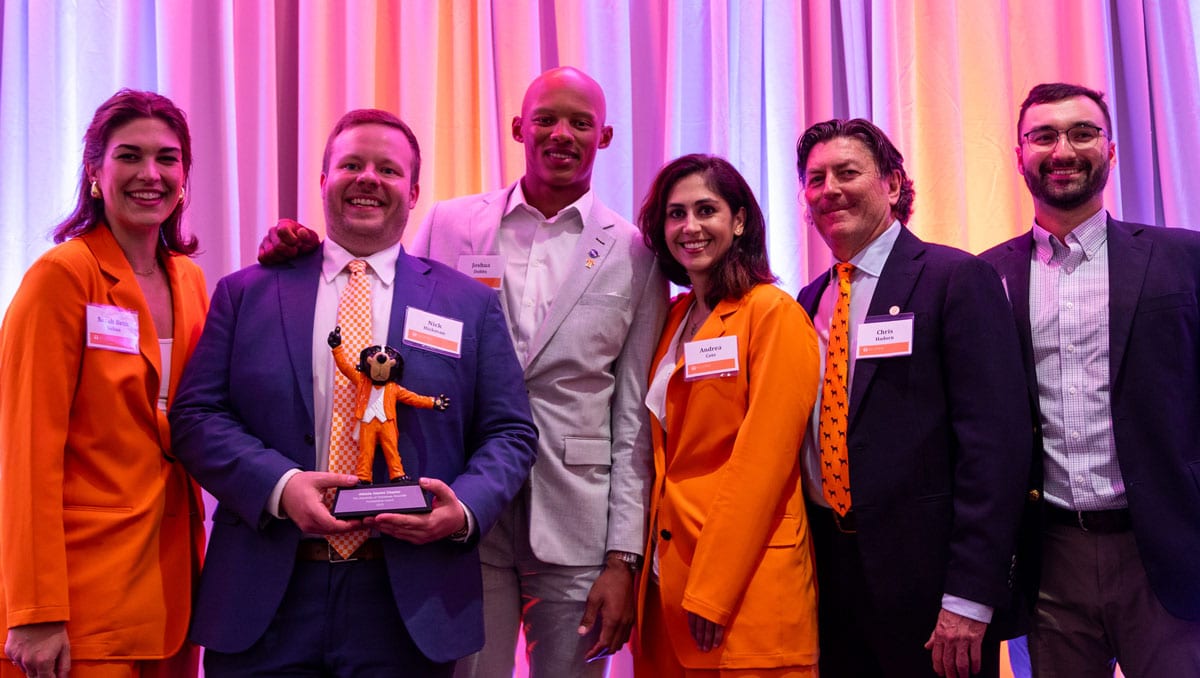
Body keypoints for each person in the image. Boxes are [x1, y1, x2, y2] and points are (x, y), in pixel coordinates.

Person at [260, 66, 668, 677]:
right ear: (517, 128)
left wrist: (624, 557)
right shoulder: (450, 224)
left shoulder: (636, 252)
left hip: (578, 511)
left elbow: (634, 413)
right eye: (546, 119)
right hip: (456, 501)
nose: (562, 134)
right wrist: (303, 252)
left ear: (604, 136)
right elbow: (379, 299)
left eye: (581, 123)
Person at [169, 109, 538, 675]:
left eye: (389, 170)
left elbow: (510, 432)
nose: (368, 178)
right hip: (266, 596)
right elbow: (196, 416)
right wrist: (282, 486)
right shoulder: (246, 293)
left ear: (414, 193)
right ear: (322, 182)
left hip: (410, 603)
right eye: (351, 164)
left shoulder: (470, 306)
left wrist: (463, 510)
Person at [795, 118, 1031, 678]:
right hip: (829, 581)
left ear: (893, 185)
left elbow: (995, 449)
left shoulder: (956, 279)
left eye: (847, 172)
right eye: (814, 178)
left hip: (933, 597)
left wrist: (971, 597)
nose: (829, 189)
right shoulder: (807, 301)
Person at [980, 82, 1200, 676]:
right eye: (1043, 135)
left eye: (1082, 132)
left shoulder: (1185, 259)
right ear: (1020, 152)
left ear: (1111, 149)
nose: (1063, 150)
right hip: (1046, 562)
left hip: (1168, 551)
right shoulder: (982, 279)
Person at [0, 89, 208, 678]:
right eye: (129, 156)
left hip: (174, 594)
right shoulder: (61, 278)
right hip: (79, 602)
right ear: (95, 171)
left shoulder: (189, 279)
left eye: (168, 159)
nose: (151, 174)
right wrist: (35, 610)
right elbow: (24, 454)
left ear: (185, 176)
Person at [632, 154, 819, 677]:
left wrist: (712, 589)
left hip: (742, 590)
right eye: (675, 213)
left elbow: (765, 460)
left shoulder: (773, 313)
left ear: (738, 221)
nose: (689, 227)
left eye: (706, 210)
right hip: (667, 586)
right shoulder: (672, 318)